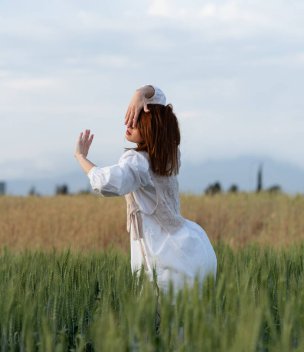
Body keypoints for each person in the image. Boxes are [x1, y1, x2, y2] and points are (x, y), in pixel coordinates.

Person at [74, 85, 217, 306]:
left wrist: (81, 157)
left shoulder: (138, 162)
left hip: (163, 254)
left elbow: (105, 183)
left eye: (137, 119)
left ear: (152, 127)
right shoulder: (168, 155)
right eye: (130, 116)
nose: (128, 123)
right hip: (190, 246)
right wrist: (140, 93)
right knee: (184, 327)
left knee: (160, 321)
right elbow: (158, 98)